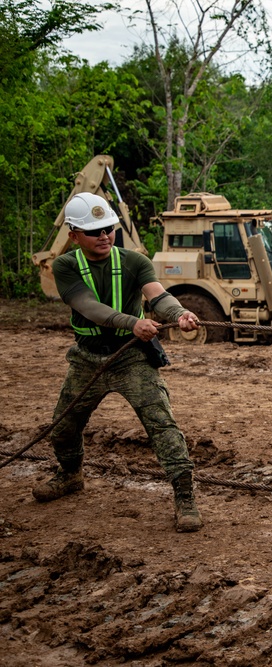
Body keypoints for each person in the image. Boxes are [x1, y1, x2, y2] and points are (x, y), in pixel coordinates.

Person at [32, 192, 205, 532]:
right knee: (63, 428)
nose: (104, 236)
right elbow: (88, 307)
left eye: (108, 228)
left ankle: (185, 498)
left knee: (162, 426)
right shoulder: (66, 266)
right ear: (73, 235)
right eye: (94, 231)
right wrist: (132, 322)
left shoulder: (135, 261)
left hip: (131, 358)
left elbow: (159, 295)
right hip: (87, 359)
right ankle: (70, 475)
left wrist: (181, 313)